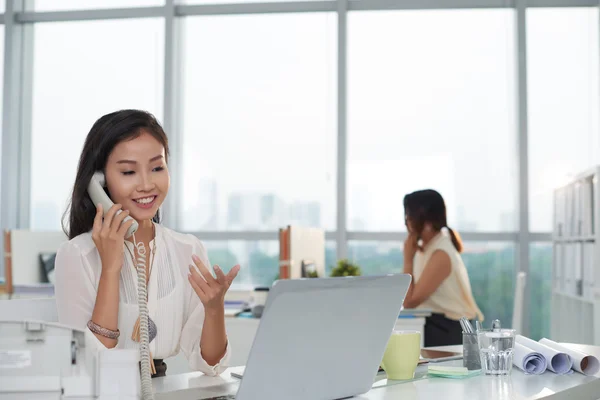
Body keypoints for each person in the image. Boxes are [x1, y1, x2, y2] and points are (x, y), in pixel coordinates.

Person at [55, 109, 240, 377]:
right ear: (100, 182)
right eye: (129, 172)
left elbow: (211, 365)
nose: (146, 184)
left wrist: (214, 310)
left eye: (157, 167)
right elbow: (88, 366)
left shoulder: (188, 250)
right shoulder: (77, 255)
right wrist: (110, 269)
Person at [401, 189, 483, 347]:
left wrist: (407, 260)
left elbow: (409, 302)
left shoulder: (441, 253)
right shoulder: (428, 248)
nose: (407, 223)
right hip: (436, 324)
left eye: (409, 217)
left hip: (449, 330)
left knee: (399, 341)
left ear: (427, 222)